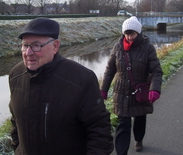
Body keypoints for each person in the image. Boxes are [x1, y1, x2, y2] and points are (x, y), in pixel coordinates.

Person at [8, 18, 113, 155]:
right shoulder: (16, 75)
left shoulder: (81, 79)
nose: (28, 53)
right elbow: (16, 122)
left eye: (36, 45)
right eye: (25, 45)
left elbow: (100, 130)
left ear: (55, 46)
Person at [100, 16, 162, 154]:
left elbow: (156, 71)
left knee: (140, 117)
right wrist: (104, 89)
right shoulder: (118, 47)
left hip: (140, 91)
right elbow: (110, 69)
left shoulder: (148, 48)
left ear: (138, 33)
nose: (129, 37)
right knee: (123, 124)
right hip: (121, 92)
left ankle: (139, 139)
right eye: (127, 34)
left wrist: (155, 89)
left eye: (132, 33)